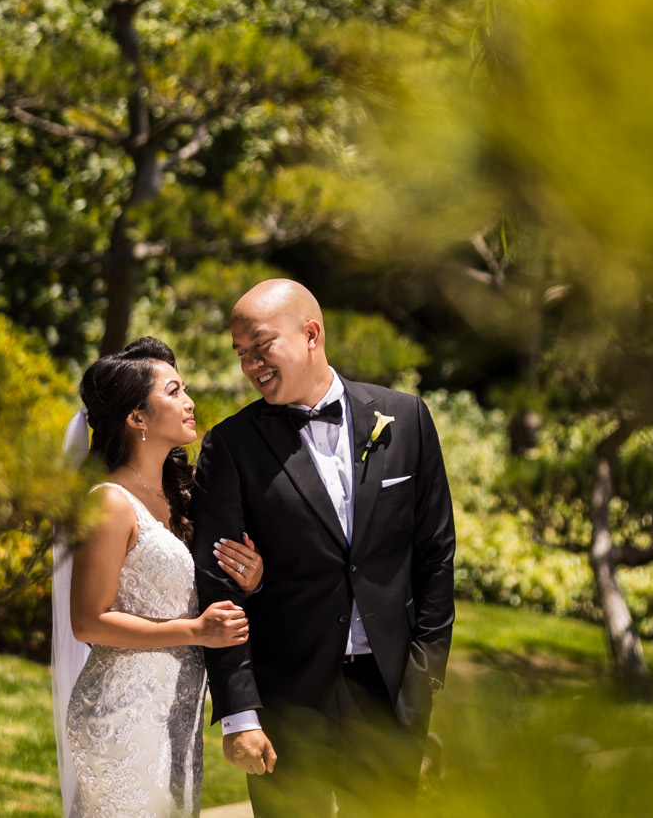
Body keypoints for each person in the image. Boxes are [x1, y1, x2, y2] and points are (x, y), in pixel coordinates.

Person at [192, 279, 457, 817]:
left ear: (311, 333)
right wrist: (241, 713)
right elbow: (219, 587)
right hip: (287, 699)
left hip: (386, 695)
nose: (251, 366)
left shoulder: (405, 420)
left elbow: (435, 554)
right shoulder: (231, 445)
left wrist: (423, 677)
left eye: (261, 347)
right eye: (242, 355)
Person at [53, 336, 265, 818]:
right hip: (121, 711)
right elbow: (88, 621)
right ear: (137, 417)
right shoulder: (108, 503)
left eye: (184, 388)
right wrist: (193, 632)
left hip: (178, 710)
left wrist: (249, 579)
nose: (189, 402)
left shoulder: (182, 497)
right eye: (173, 392)